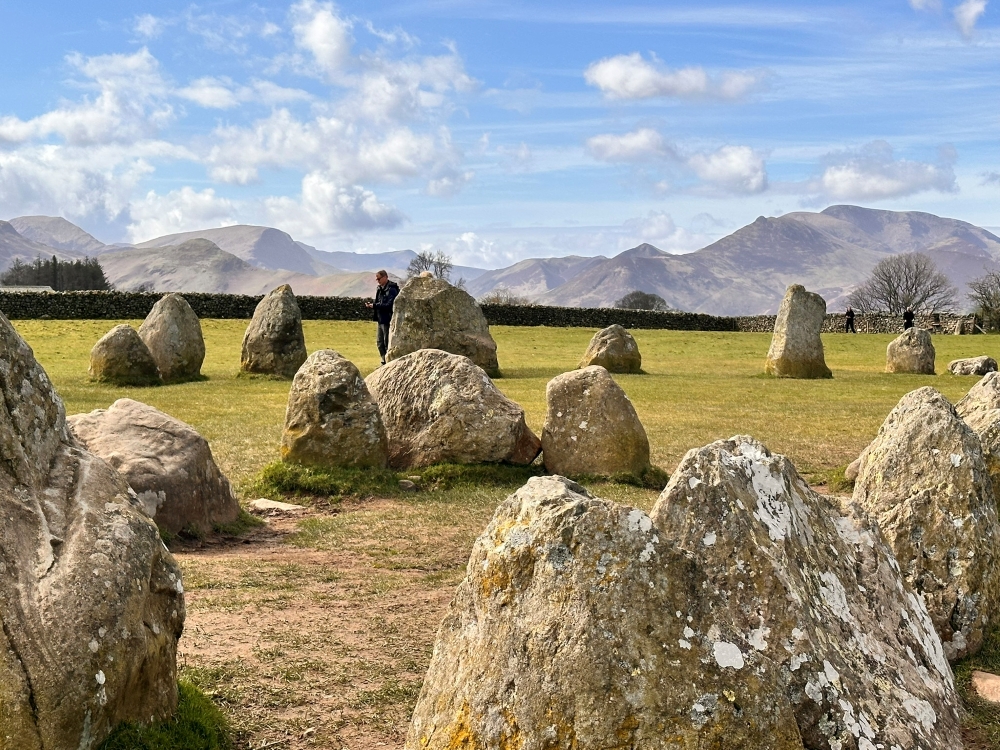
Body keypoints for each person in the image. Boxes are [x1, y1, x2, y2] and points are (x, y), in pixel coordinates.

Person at [364, 270, 399, 366]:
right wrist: (374, 305)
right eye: (376, 279)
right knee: (380, 343)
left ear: (385, 277)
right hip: (380, 319)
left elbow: (389, 305)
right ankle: (384, 361)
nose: (377, 280)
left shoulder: (392, 289)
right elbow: (379, 301)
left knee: (387, 342)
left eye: (379, 278)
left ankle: (389, 363)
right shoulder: (379, 289)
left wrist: (374, 306)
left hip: (387, 319)